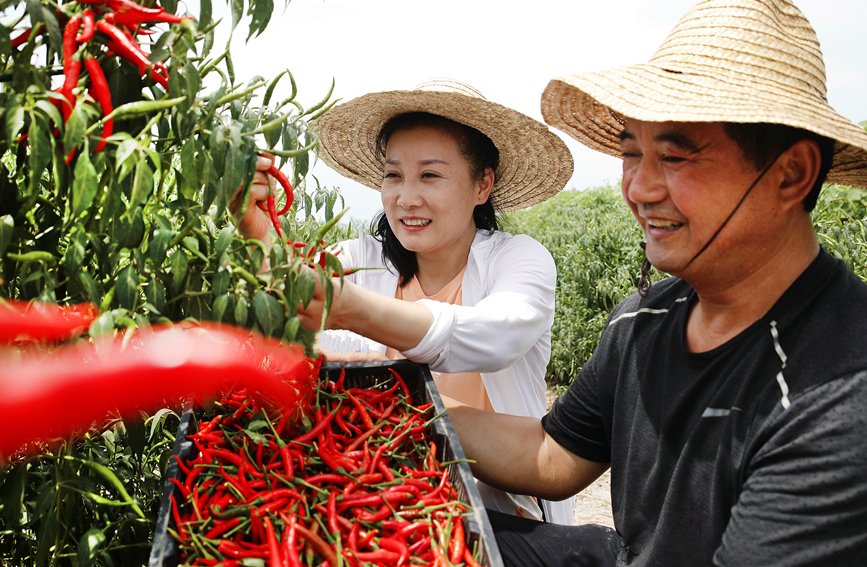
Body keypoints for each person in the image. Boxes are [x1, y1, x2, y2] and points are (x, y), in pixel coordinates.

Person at [444, 0, 867, 565]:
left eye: (674, 156)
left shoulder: (838, 398)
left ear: (791, 174)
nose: (639, 190)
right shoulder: (645, 319)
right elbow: (553, 455)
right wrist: (412, 409)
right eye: (630, 153)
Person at [231, 79, 578, 524]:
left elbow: (494, 336)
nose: (406, 198)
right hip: (379, 499)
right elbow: (286, 321)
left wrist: (352, 309)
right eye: (393, 175)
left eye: (430, 175)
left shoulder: (518, 260)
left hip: (501, 508)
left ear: (482, 185)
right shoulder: (358, 260)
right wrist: (261, 237)